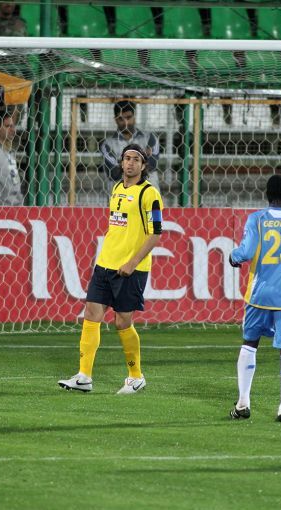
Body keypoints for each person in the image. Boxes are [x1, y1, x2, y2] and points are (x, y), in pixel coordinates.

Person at [58, 143, 164, 395]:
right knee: (91, 313)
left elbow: (155, 234)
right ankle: (84, 376)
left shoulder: (149, 194)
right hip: (105, 263)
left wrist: (132, 263)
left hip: (131, 269)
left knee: (122, 321)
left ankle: (136, 377)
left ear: (143, 165)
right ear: (121, 162)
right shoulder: (116, 188)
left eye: (135, 159)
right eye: (127, 158)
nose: (130, 163)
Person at [228, 175, 281, 422]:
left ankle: (243, 403)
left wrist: (233, 257)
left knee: (249, 344)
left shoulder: (257, 218)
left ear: (266, 194)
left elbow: (245, 252)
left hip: (259, 294)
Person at [99, 100, 161, 191]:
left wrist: (122, 162)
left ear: (134, 118)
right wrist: (142, 158)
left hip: (147, 194)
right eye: (121, 119)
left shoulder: (150, 138)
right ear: (115, 120)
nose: (126, 122)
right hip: (121, 196)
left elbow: (152, 165)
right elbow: (114, 173)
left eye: (128, 117)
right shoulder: (107, 144)